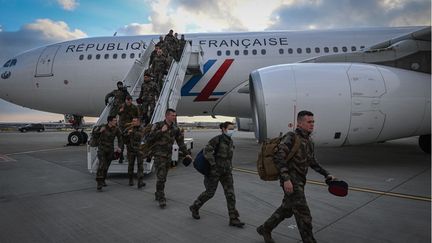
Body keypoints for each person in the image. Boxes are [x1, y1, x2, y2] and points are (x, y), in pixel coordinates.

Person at [256, 111, 335, 243]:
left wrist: (326, 174)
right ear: (300, 123)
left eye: (313, 122)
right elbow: (278, 156)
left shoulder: (309, 141)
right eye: (309, 122)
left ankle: (265, 228)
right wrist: (286, 179)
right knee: (304, 215)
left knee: (286, 209)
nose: (312, 124)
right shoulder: (291, 137)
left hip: (300, 182)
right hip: (291, 182)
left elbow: (312, 161)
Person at [189, 121, 245, 228]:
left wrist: (230, 167)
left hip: (226, 172)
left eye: (233, 128)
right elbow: (207, 151)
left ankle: (233, 218)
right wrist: (213, 165)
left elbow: (228, 157)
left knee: (230, 194)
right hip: (214, 172)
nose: (232, 130)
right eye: (230, 128)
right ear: (224, 129)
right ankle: (195, 207)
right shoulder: (217, 139)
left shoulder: (230, 141)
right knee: (210, 193)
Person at [146, 108, 192, 208]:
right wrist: (160, 131)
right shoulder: (158, 125)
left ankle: (158, 193)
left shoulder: (175, 128)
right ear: (167, 116)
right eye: (172, 115)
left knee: (163, 178)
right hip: (159, 155)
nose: (174, 117)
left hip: (168, 156)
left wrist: (186, 154)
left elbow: (180, 143)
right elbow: (149, 138)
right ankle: (161, 198)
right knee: (161, 177)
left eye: (175, 115)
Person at [95, 115, 123, 191]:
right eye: (114, 120)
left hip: (110, 150)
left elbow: (120, 138)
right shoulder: (103, 127)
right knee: (101, 165)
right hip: (102, 149)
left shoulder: (116, 129)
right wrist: (99, 131)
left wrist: (119, 147)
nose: (116, 122)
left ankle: (103, 179)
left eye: (116, 120)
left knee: (106, 166)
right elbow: (94, 133)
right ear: (109, 121)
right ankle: (99, 183)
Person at [124, 117, 146, 188]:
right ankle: (130, 180)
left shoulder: (142, 128)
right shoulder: (129, 128)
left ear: (139, 122)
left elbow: (141, 136)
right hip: (130, 150)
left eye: (135, 121)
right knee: (130, 165)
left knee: (140, 166)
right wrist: (127, 134)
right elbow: (123, 136)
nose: (133, 122)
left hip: (139, 150)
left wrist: (132, 132)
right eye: (132, 121)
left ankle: (140, 181)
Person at [117, 95, 139, 163]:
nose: (129, 101)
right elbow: (117, 113)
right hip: (121, 126)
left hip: (130, 126)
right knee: (121, 142)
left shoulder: (134, 107)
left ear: (131, 100)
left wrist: (135, 125)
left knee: (130, 142)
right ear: (125, 100)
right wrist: (120, 111)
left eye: (130, 100)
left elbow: (137, 116)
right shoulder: (122, 106)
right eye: (127, 100)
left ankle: (129, 156)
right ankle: (121, 157)